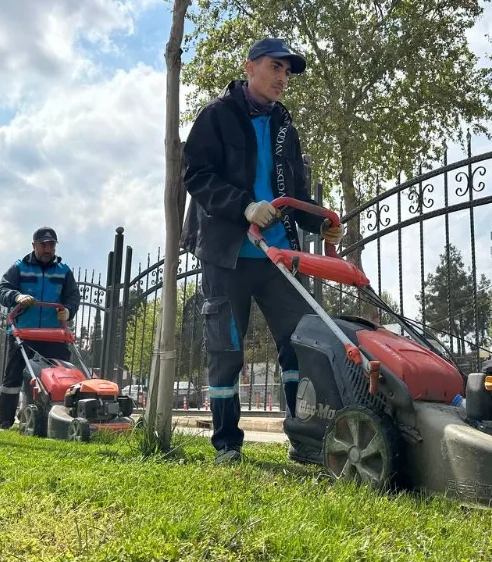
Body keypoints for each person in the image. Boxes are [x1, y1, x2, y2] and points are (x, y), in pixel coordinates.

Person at [181, 38, 343, 463]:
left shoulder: (286, 127)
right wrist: (243, 206)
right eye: (276, 67)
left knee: (299, 347)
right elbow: (196, 175)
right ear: (250, 67)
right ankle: (227, 445)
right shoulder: (216, 117)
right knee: (226, 349)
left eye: (288, 72)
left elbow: (296, 189)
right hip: (228, 253)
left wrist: (319, 220)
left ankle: (304, 440)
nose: (283, 78)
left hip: (279, 257)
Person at [0, 226, 80, 430]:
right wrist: (17, 297)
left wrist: (68, 310)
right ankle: (5, 420)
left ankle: (60, 416)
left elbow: (73, 296)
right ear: (34, 245)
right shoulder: (20, 267)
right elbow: (2, 289)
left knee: (62, 374)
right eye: (43, 245)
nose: (47, 249)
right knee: (14, 375)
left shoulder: (63, 270)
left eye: (51, 245)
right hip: (24, 331)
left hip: (54, 334)